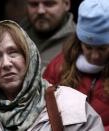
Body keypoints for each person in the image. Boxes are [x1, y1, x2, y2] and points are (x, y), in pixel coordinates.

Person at [43, 0, 109, 130]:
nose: (95, 56)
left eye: (102, 49)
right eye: (88, 47)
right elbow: (42, 110)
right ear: (79, 42)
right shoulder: (59, 67)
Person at [20, 0, 75, 70]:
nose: (40, 11)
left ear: (66, 4)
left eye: (49, 4)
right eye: (34, 4)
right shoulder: (14, 37)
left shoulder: (79, 43)